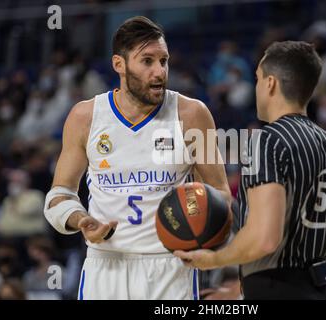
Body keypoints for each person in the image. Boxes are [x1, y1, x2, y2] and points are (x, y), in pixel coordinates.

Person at [43, 16, 231, 300]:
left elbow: (220, 193)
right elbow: (59, 195)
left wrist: (201, 228)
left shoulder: (191, 114)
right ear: (119, 64)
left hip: (170, 265)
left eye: (163, 61)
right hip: (105, 265)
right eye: (147, 61)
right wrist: (81, 220)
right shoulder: (86, 116)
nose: (159, 72)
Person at [175, 41, 326, 300]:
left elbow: (265, 238)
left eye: (258, 79)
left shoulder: (267, 141)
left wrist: (213, 259)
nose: (257, 86)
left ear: (270, 83)